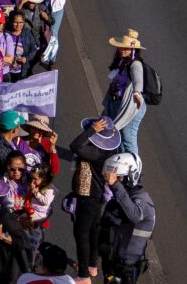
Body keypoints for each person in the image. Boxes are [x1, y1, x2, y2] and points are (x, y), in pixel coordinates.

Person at [69, 117, 121, 281]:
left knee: (81, 233)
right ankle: (91, 265)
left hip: (89, 196)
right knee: (93, 230)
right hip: (98, 196)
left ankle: (83, 275)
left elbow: (75, 146)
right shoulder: (111, 151)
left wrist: (91, 130)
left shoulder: (96, 153)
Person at [99, 153, 155, 284]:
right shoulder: (118, 199)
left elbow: (134, 215)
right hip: (112, 262)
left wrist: (116, 186)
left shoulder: (143, 201)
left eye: (119, 178)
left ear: (132, 176)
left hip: (127, 269)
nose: (113, 181)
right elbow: (103, 226)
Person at [102, 29, 147, 156]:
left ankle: (134, 171)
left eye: (126, 48)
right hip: (118, 103)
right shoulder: (122, 61)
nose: (122, 50)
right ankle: (122, 164)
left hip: (133, 106)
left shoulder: (136, 64)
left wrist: (137, 93)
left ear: (133, 50)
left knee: (128, 139)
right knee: (119, 136)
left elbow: (138, 80)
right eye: (121, 47)